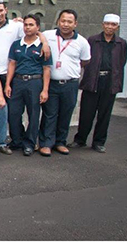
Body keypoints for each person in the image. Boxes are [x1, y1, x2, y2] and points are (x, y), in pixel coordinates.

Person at [70, 14, 127, 153]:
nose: (109, 27)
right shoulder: (93, 40)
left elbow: (122, 61)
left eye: (113, 25)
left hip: (110, 82)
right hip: (92, 80)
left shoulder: (121, 43)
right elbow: (85, 59)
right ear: (102, 24)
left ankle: (99, 142)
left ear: (117, 27)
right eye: (107, 24)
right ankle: (80, 139)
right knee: (86, 112)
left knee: (104, 114)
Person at [39, 10, 91, 156]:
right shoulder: (49, 35)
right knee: (49, 114)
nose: (65, 24)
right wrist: (43, 41)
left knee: (66, 113)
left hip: (70, 84)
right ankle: (46, 143)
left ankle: (60, 142)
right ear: (58, 22)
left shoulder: (82, 42)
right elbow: (36, 33)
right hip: (51, 83)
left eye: (69, 22)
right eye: (63, 21)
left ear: (75, 24)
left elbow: (85, 61)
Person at [0, 0, 50, 101]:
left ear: (6, 10)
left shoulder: (16, 25)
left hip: (10, 74)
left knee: (12, 110)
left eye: (1, 10)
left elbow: (34, 33)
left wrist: (45, 43)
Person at [4, 14, 52, 156]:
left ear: (37, 27)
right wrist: (8, 84)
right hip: (18, 82)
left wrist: (45, 90)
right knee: (13, 113)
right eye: (25, 25)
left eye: (31, 25)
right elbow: (12, 64)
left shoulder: (43, 47)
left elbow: (47, 69)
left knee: (33, 114)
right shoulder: (17, 44)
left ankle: (29, 143)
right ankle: (17, 141)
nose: (27, 27)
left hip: (35, 82)